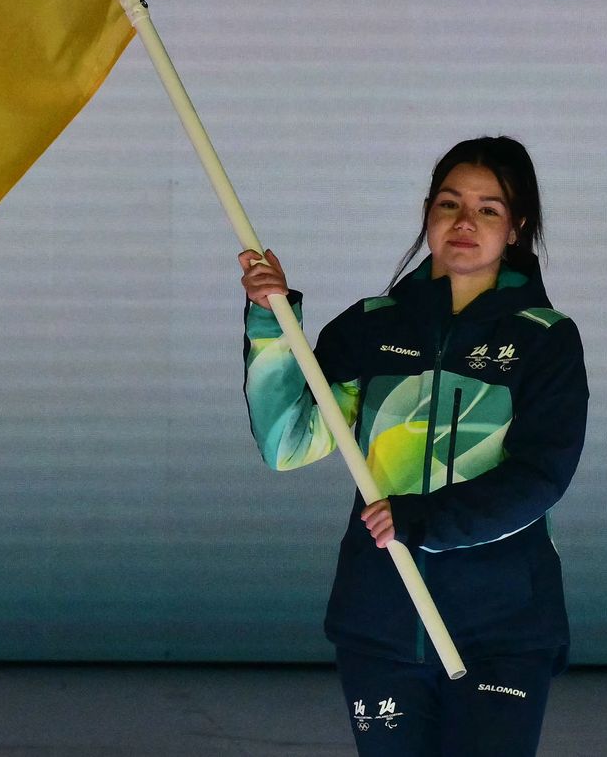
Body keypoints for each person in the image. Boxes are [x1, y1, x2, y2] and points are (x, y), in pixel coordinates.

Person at [240, 136, 588, 757]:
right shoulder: (371, 326)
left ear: (517, 226)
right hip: (380, 624)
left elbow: (541, 476)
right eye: (449, 204)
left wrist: (422, 520)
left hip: (502, 626)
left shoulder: (546, 339)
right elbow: (286, 443)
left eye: (488, 208)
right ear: (427, 212)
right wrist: (272, 323)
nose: (464, 222)